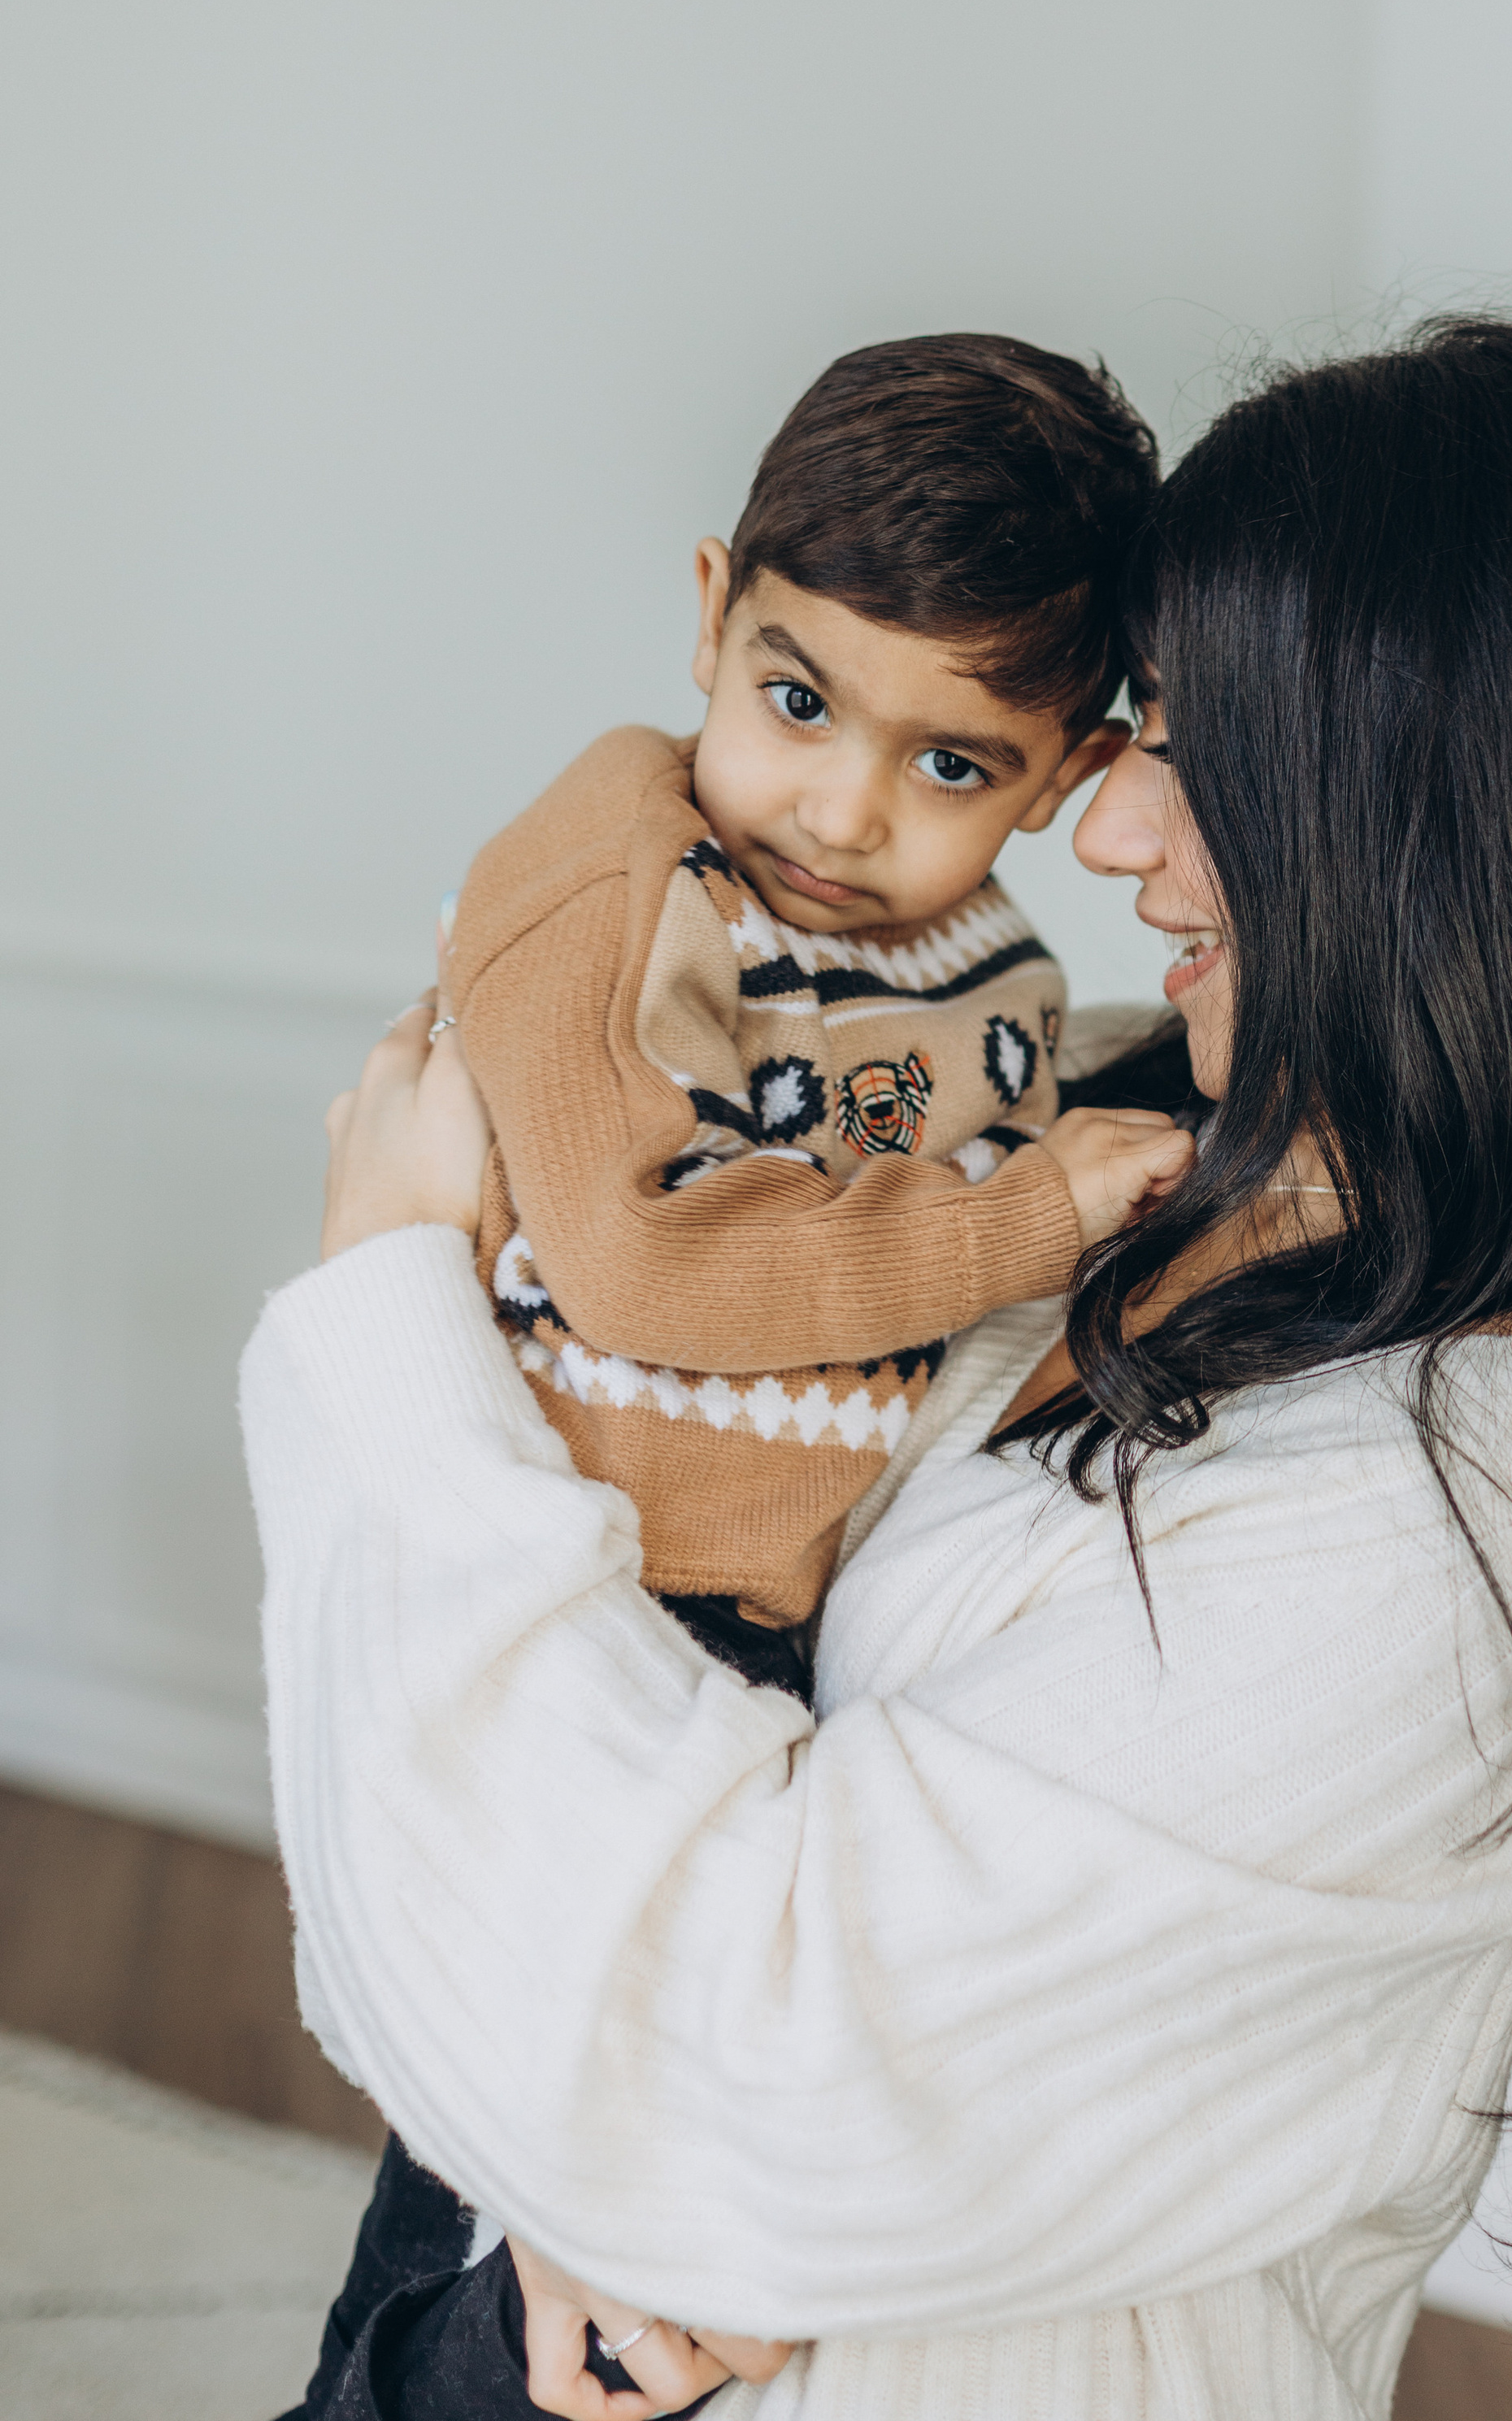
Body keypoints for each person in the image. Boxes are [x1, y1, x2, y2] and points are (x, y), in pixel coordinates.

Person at [245, 320, 1512, 2420]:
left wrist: (392, 1307)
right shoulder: (1142, 1159)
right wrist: (564, 2163)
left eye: (1191, 744)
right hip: (536, 2310)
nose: (1106, 828)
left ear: (1412, 804)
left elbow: (748, 2060)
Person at [286, 328, 1197, 2416]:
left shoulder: (989, 979)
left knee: (610, 2213)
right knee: (516, 2253)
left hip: (759, 1651)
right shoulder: (617, 867)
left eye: (950, 766)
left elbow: (905, 1249)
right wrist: (1036, 1214)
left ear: (1065, 777)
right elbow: (634, 1257)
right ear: (710, 612)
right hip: (565, 1615)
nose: (841, 807)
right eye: (794, 700)